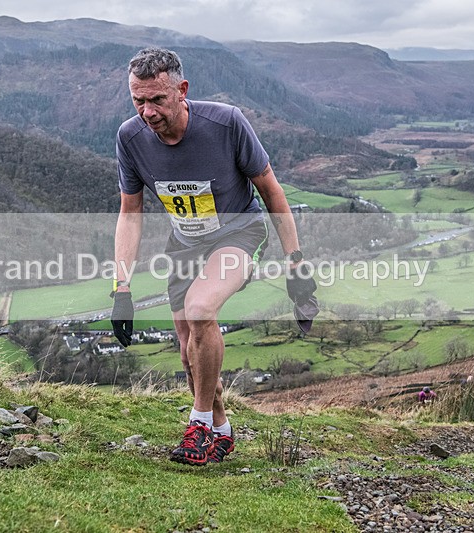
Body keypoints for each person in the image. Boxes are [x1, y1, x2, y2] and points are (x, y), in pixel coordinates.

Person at [111, 47, 318, 466]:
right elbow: (130, 214)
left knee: (201, 308)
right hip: (184, 245)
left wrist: (296, 263)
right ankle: (221, 430)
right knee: (190, 354)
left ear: (182, 90)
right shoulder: (130, 139)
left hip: (239, 233)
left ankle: (199, 424)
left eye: (157, 100)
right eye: (138, 100)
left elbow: (272, 191)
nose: (147, 112)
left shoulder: (226, 123)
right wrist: (122, 286)